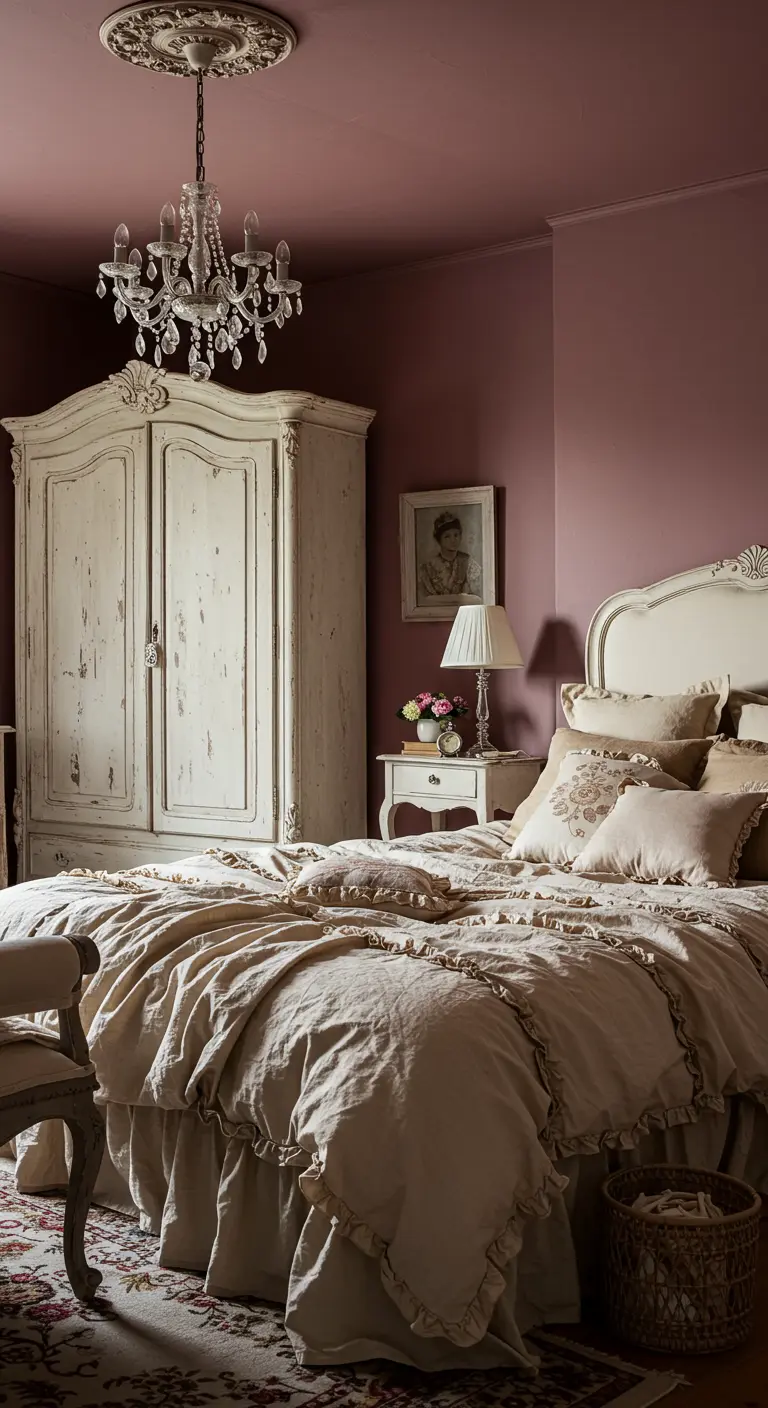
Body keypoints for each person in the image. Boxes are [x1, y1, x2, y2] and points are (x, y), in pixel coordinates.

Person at [418, 510, 482, 599]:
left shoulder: (468, 563)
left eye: (456, 535)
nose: (453, 540)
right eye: (447, 536)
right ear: (439, 540)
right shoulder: (428, 567)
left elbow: (477, 596)